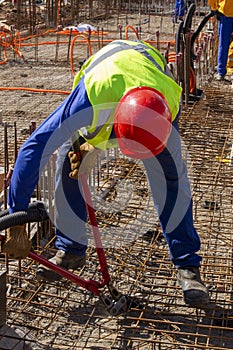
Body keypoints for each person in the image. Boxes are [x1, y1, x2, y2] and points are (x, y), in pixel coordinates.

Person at [2, 39, 209, 308]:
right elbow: (35, 148)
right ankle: (71, 248)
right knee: (70, 165)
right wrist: (16, 217)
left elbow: (172, 178)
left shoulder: (168, 101)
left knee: (171, 181)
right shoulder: (88, 102)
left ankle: (188, 266)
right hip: (106, 85)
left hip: (148, 84)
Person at [208, 0, 233, 82]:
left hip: (226, 14)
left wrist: (214, 8)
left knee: (223, 44)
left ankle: (221, 72)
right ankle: (221, 71)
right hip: (225, 14)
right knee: (223, 44)